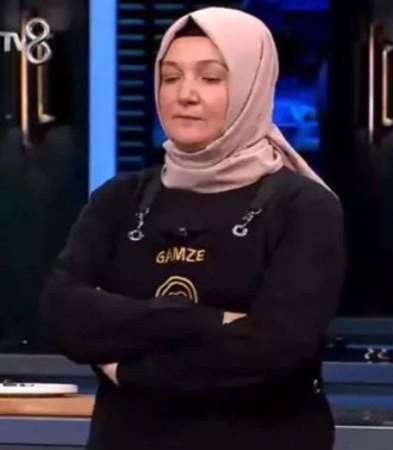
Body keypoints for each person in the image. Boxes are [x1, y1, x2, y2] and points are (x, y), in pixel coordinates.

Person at [42, 7, 344, 450]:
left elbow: (275, 348)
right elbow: (64, 313)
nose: (185, 94)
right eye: (170, 77)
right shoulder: (119, 199)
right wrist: (212, 321)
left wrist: (126, 367)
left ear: (251, 86)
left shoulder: (304, 206)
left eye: (211, 78)